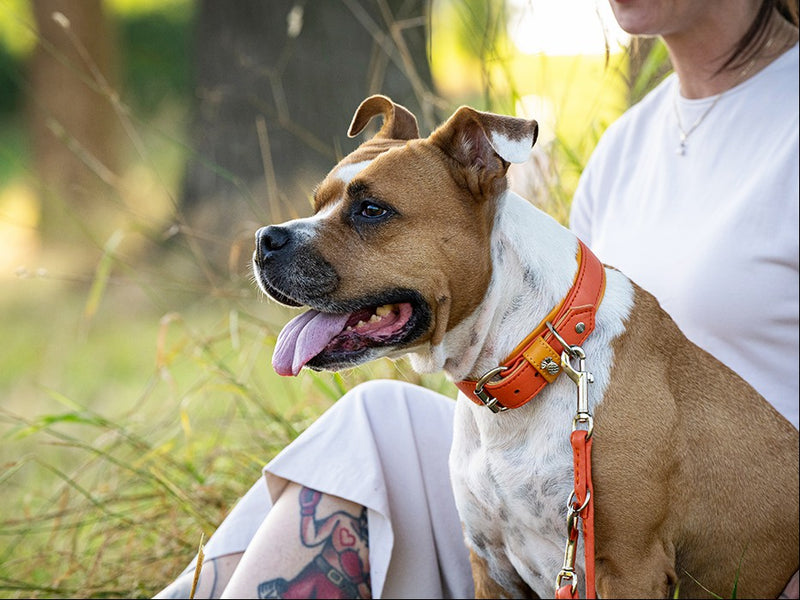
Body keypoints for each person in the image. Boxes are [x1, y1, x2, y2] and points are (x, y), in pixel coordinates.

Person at [154, 1, 799, 598]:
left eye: (370, 214)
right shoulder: (626, 146)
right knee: (370, 423)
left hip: (744, 513)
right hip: (566, 463)